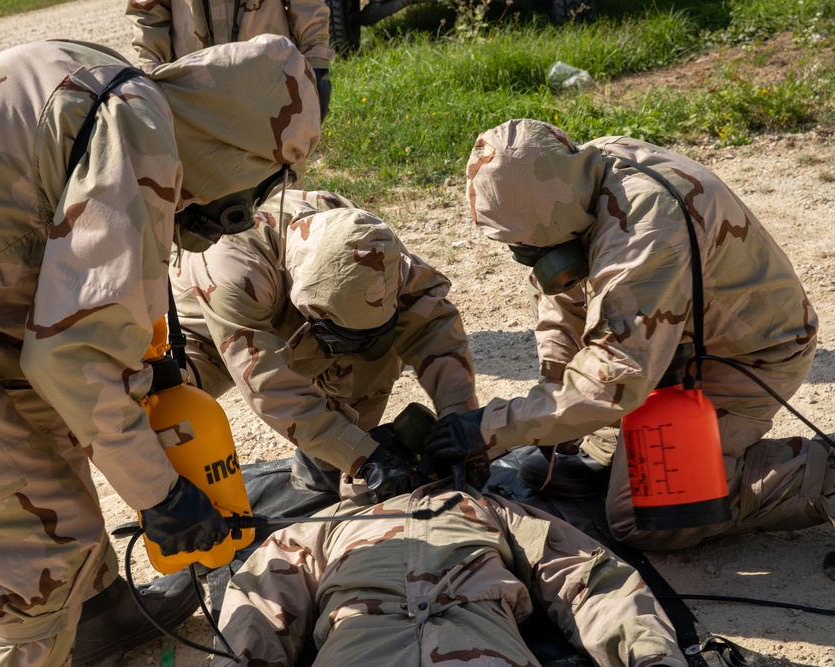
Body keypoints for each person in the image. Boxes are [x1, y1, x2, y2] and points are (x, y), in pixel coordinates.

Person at [0, 34, 320, 666]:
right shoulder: (137, 125)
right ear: (237, 150)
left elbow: (81, 303)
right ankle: (44, 624)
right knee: (37, 557)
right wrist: (162, 497)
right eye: (249, 197)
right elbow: (74, 358)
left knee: (51, 446)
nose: (241, 217)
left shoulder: (122, 89)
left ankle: (98, 618)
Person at [420, 118, 834, 551]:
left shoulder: (644, 230)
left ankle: (826, 473)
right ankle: (611, 452)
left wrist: (491, 428)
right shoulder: (577, 176)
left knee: (644, 518)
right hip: (669, 346)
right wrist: (552, 402)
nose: (529, 257)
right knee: (583, 460)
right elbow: (565, 295)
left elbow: (616, 379)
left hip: (746, 357)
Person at [171, 190, 478, 502]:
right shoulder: (234, 268)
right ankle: (177, 503)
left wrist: (460, 422)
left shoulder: (366, 243)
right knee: (157, 397)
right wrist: (369, 460)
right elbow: (269, 385)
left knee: (379, 352)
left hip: (308, 322)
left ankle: (326, 467)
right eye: (342, 339)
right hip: (202, 336)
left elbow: (432, 321)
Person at [208, 479, 687, 667]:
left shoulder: (488, 507)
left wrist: (652, 659)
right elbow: (258, 598)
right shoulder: (329, 522)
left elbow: (589, 581)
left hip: (478, 638)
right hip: (362, 645)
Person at [126, 0, 335, 121]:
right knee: (202, 190)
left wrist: (316, 63)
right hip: (193, 95)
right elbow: (149, 11)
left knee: (278, 192)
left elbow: (308, 4)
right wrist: (151, 75)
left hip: (271, 89)